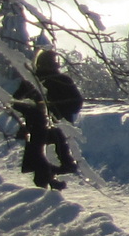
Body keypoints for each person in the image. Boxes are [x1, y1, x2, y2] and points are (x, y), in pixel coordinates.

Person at [13, 48, 81, 190]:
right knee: (59, 158)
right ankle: (49, 179)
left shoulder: (31, 81)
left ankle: (48, 179)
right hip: (52, 126)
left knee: (41, 157)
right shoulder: (59, 80)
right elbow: (76, 103)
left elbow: (15, 103)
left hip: (41, 126)